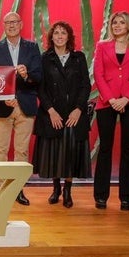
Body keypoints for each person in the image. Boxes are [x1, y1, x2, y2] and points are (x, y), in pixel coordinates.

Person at [32, 21, 91, 209]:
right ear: (51, 37)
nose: (59, 36)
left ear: (69, 37)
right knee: (55, 153)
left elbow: (85, 86)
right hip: (52, 114)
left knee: (70, 154)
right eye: (56, 33)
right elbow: (40, 88)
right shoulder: (45, 58)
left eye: (63, 33)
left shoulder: (79, 58)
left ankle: (68, 191)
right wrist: (50, 111)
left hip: (73, 114)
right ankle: (56, 189)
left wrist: (78, 109)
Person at [93, 11, 129, 211]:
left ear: (128, 25)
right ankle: (100, 196)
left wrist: (126, 99)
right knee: (105, 148)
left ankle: (126, 198)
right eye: (114, 22)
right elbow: (98, 74)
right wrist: (112, 99)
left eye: (121, 22)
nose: (116, 25)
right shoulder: (102, 46)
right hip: (107, 101)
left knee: (127, 150)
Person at [0, 11, 42, 205]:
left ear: (21, 24)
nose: (11, 25)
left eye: (14, 22)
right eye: (7, 22)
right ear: (3, 26)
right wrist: (4, 98)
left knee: (22, 151)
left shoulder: (32, 47)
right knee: (0, 149)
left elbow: (38, 76)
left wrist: (26, 75)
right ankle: (1, 188)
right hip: (3, 105)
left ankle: (18, 189)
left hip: (25, 104)